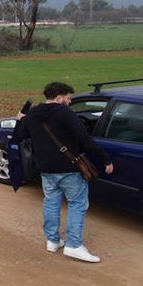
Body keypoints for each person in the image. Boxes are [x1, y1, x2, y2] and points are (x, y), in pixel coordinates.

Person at [18, 81, 114, 262]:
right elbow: (84, 138)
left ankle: (53, 241)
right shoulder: (65, 113)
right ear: (59, 97)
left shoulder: (33, 114)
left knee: (51, 202)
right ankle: (74, 245)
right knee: (77, 204)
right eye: (68, 98)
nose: (70, 102)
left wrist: (22, 119)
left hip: (46, 169)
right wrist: (105, 159)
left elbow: (21, 134)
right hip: (69, 169)